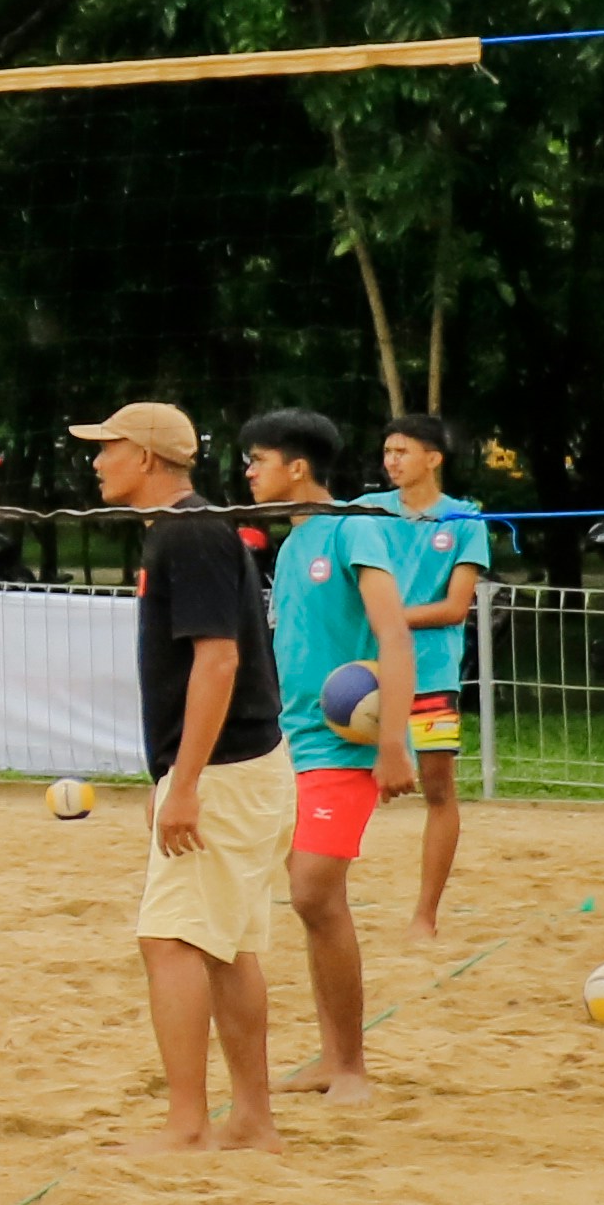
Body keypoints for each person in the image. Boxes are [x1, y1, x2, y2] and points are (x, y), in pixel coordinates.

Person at [77, 400, 288, 1151]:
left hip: (228, 770)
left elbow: (219, 660)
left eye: (108, 447)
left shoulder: (189, 532)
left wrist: (188, 782)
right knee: (227, 944)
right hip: (240, 766)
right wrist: (172, 777)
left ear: (146, 457)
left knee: (170, 942)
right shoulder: (184, 529)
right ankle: (252, 1121)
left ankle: (189, 1127)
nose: (97, 461)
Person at [237, 406, 422, 1104]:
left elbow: (394, 636)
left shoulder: (355, 528)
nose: (250, 473)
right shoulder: (290, 545)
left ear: (298, 467)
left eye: (259, 460)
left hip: (346, 746)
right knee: (314, 901)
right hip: (293, 741)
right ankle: (331, 1057)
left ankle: (351, 1067)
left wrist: (393, 741)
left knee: (313, 888)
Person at [366, 413, 499, 940]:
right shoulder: (370, 513)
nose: (391, 460)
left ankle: (426, 914)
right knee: (338, 779)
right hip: (368, 672)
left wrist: (389, 616)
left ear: (433, 459)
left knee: (438, 789)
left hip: (431, 675)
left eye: (402, 451)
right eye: (387, 451)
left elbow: (454, 607)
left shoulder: (465, 521)